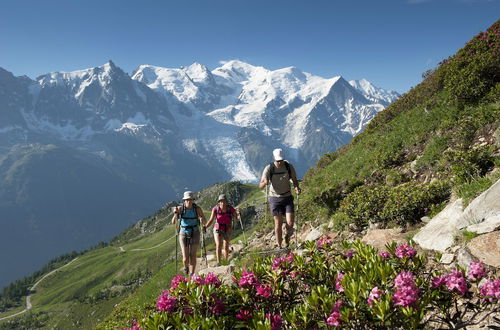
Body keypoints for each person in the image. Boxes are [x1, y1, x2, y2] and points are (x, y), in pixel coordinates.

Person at [258, 148, 301, 248]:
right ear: (274, 158)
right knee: (278, 222)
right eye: (278, 160)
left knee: (290, 222)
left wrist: (296, 187)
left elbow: (294, 179)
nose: (280, 162)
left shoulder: (288, 167)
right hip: (274, 198)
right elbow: (260, 185)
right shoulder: (269, 168)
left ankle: (286, 236)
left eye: (281, 160)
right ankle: (279, 245)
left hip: (287, 197)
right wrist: (265, 182)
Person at [172, 191, 207, 276]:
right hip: (183, 233)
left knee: (192, 255)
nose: (188, 201)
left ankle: (192, 274)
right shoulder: (181, 209)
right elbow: (173, 222)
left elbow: (204, 220)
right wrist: (175, 214)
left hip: (195, 232)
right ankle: (186, 267)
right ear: (184, 200)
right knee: (185, 258)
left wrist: (202, 220)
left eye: (190, 199)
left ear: (193, 200)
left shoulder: (197, 209)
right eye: (187, 200)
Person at [204, 194, 241, 265]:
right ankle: (219, 262)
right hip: (218, 228)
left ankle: (226, 260)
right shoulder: (215, 209)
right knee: (218, 244)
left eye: (224, 201)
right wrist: (205, 226)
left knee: (226, 245)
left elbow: (237, 217)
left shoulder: (230, 208)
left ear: (226, 202)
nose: (223, 203)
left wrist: (239, 215)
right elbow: (211, 220)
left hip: (227, 228)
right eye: (221, 202)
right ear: (219, 202)